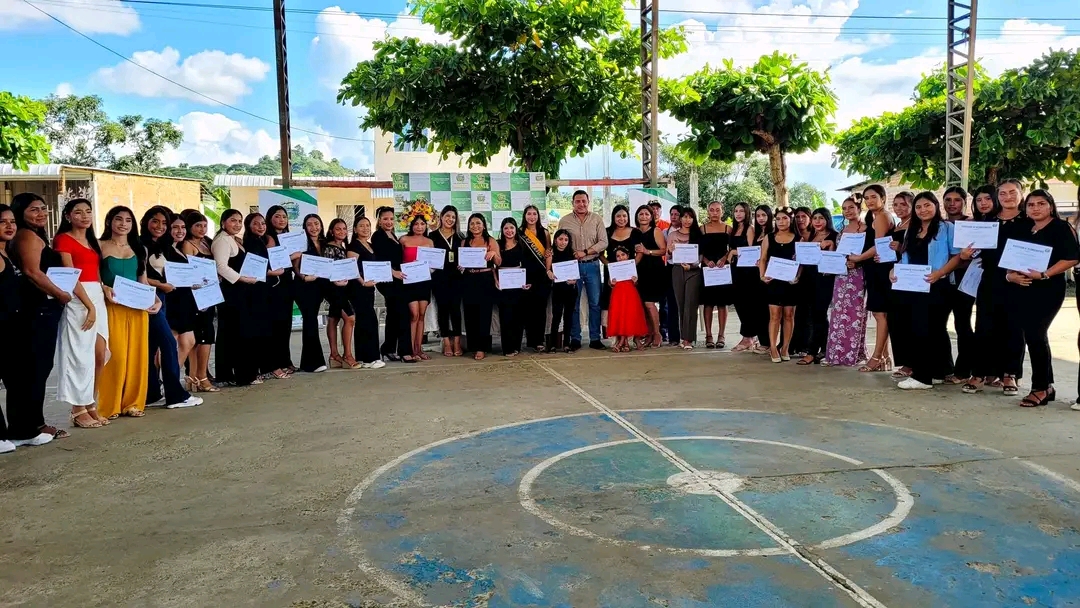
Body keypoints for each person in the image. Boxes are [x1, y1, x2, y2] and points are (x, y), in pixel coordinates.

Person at [1001, 190, 1079, 407]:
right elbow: (1010, 256)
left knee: (1036, 334)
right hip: (1022, 287)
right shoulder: (1023, 227)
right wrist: (1009, 275)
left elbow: (1072, 258)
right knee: (1031, 334)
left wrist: (1044, 274)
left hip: (1048, 288)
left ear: (1050, 206)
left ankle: (1040, 387)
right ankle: (1047, 386)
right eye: (1031, 204)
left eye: (1041, 203)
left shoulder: (1061, 228)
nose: (1035, 208)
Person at [960, 180, 1026, 396]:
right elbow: (977, 253)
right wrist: (965, 254)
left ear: (1021, 194)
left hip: (1019, 282)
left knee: (1015, 329)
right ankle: (978, 374)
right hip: (990, 280)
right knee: (984, 327)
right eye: (1003, 193)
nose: (1007, 197)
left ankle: (1010, 374)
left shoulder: (1028, 221)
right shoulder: (987, 222)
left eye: (1012, 192)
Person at [890, 192, 960, 390]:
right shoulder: (911, 230)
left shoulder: (947, 228)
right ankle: (939, 371)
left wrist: (940, 273)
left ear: (936, 206)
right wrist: (894, 271)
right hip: (913, 286)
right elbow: (905, 258)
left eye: (927, 205)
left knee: (926, 329)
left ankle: (922, 377)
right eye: (919, 207)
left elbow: (957, 256)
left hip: (938, 285)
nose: (923, 210)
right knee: (929, 329)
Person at [52, 198, 110, 427]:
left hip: (96, 295)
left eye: (88, 211)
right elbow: (70, 275)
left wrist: (103, 288)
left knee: (99, 353)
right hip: (78, 298)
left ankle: (90, 402)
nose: (84, 216)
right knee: (79, 354)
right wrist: (89, 306)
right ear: (68, 216)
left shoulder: (92, 240)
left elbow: (95, 271)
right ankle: (77, 408)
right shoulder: (63, 239)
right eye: (78, 212)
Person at [98, 206, 160, 419]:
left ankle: (133, 403)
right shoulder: (99, 246)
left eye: (128, 220)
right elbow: (95, 278)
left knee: (137, 355)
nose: (123, 224)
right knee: (115, 356)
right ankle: (109, 405)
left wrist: (155, 299)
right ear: (109, 221)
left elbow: (142, 280)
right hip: (112, 307)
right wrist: (103, 288)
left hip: (137, 308)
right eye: (119, 219)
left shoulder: (139, 248)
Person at [142, 206, 200, 408]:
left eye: (164, 223)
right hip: (150, 299)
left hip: (162, 299)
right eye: (155, 221)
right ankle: (175, 395)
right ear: (146, 222)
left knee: (152, 347)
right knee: (168, 344)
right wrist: (161, 285)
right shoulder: (141, 245)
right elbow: (140, 276)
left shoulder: (163, 245)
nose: (160, 226)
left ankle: (151, 394)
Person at [211, 208, 261, 386]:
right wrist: (242, 278)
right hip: (231, 292)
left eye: (240, 221)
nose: (237, 224)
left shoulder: (233, 239)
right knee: (235, 333)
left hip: (240, 291)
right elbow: (221, 267)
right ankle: (238, 375)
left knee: (237, 332)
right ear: (223, 222)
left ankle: (237, 374)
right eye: (233, 220)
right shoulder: (222, 241)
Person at [847, 185, 895, 372]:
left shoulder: (882, 216)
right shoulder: (875, 217)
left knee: (880, 315)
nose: (869, 201)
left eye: (873, 197)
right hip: (875, 269)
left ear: (883, 197)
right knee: (880, 314)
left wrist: (858, 258)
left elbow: (879, 245)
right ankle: (884, 356)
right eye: (866, 198)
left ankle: (876, 357)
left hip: (881, 271)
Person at [557, 190, 607, 350]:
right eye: (577, 201)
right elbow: (559, 241)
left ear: (588, 202)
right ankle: (575, 339)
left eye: (584, 201)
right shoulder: (564, 221)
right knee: (574, 304)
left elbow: (603, 242)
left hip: (592, 265)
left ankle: (595, 338)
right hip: (573, 266)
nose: (581, 204)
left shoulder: (596, 219)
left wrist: (585, 252)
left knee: (595, 303)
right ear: (572, 203)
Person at [823, 197, 869, 367]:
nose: (847, 211)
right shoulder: (842, 230)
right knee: (838, 313)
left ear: (859, 208)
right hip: (841, 276)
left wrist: (858, 262)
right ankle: (835, 354)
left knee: (854, 314)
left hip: (858, 276)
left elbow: (870, 253)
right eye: (844, 208)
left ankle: (853, 354)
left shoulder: (866, 229)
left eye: (851, 207)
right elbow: (839, 253)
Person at [243, 212, 289, 379]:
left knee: (269, 329)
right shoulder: (250, 242)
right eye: (256, 224)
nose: (260, 226)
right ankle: (268, 368)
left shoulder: (262, 240)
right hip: (257, 291)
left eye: (262, 223)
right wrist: (273, 272)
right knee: (263, 330)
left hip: (266, 290)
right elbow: (252, 269)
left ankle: (268, 367)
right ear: (249, 226)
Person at [160, 214, 203, 387]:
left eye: (183, 227)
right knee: (171, 344)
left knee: (188, 341)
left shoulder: (177, 248)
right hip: (171, 300)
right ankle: (166, 382)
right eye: (175, 227)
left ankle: (170, 381)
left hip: (184, 300)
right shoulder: (164, 250)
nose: (180, 231)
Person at [180, 212, 219, 392]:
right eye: (198, 226)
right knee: (201, 337)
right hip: (197, 295)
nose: (202, 229)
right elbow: (190, 271)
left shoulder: (206, 243)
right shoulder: (187, 244)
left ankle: (198, 376)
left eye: (204, 226)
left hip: (210, 293)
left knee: (207, 336)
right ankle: (200, 377)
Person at [371, 207, 416, 363]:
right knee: (403, 313)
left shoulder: (393, 235)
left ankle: (388, 348)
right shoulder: (378, 236)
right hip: (388, 279)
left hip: (398, 278)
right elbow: (379, 259)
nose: (389, 222)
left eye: (391, 219)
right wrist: (392, 272)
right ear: (379, 221)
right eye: (385, 219)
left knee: (393, 315)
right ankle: (405, 351)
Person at [942, 186, 975, 384]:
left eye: (957, 200)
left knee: (962, 324)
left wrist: (957, 261)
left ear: (964, 202)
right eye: (948, 200)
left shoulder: (972, 224)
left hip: (965, 280)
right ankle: (944, 367)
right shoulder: (939, 225)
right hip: (941, 280)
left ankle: (964, 370)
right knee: (938, 325)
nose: (952, 204)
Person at [760, 207, 801, 363]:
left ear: (791, 219)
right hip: (773, 282)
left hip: (791, 283)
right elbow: (763, 259)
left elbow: (801, 261)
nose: (781, 222)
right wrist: (762, 276)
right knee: (774, 316)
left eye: (785, 218)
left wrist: (797, 276)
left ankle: (785, 347)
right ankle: (773, 347)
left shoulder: (798, 238)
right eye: (778, 219)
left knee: (789, 315)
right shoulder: (769, 237)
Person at [0, 203, 26, 453]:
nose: (9, 226)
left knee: (17, 381)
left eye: (12, 221)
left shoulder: (7, 253)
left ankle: (20, 431)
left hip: (13, 327)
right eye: (2, 222)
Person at [797, 208, 838, 365]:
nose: (817, 221)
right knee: (815, 315)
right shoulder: (809, 237)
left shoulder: (834, 236)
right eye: (815, 218)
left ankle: (812, 352)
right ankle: (824, 349)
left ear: (827, 219)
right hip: (808, 280)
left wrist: (831, 245)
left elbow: (835, 261)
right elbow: (802, 261)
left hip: (825, 280)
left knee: (819, 314)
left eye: (821, 218)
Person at [345, 216, 386, 369]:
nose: (365, 228)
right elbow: (352, 268)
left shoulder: (370, 245)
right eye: (361, 226)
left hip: (369, 288)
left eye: (368, 225)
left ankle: (364, 358)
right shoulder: (353, 246)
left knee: (365, 321)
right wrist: (363, 282)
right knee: (368, 320)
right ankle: (370, 358)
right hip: (358, 288)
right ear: (355, 229)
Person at [461, 213, 500, 360]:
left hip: (485, 279)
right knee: (470, 314)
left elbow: (499, 262)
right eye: (472, 223)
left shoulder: (490, 240)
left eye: (478, 223)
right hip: (468, 279)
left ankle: (481, 347)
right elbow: (461, 262)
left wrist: (493, 253)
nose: (475, 226)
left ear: (484, 225)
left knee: (484, 314)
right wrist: (461, 266)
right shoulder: (465, 242)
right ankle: (473, 346)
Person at [293, 214, 330, 371]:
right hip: (304, 286)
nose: (314, 227)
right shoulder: (301, 243)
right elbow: (295, 266)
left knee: (312, 320)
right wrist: (303, 277)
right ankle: (313, 363)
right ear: (305, 227)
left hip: (320, 286)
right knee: (310, 321)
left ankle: (308, 362)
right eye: (309, 224)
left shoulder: (325, 243)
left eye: (316, 223)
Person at [265, 205, 299, 374]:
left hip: (287, 284)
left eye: (284, 217)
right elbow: (275, 262)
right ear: (270, 218)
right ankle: (275, 364)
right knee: (276, 325)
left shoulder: (289, 237)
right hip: (274, 285)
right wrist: (294, 256)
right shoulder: (268, 237)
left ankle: (286, 360)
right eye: (277, 216)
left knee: (286, 325)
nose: (281, 220)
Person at [884, 192, 914, 379]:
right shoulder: (897, 225)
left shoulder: (915, 226)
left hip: (909, 277)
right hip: (893, 276)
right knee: (896, 319)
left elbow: (918, 251)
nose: (899, 208)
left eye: (903, 204)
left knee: (908, 320)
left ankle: (912, 363)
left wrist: (902, 248)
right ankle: (904, 361)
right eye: (895, 204)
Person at [323, 218, 360, 368]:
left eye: (344, 229)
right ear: (331, 231)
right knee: (350, 318)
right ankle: (347, 356)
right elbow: (327, 270)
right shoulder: (329, 248)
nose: (342, 232)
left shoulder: (343, 247)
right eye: (338, 229)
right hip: (334, 290)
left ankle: (334, 355)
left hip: (344, 288)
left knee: (333, 318)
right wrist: (335, 281)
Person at [428, 206, 463, 357]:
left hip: (457, 278)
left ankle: (457, 342)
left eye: (453, 217)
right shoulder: (432, 236)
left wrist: (464, 265)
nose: (450, 219)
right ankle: (446, 342)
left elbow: (466, 256)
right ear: (441, 217)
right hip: (439, 278)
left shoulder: (461, 236)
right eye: (447, 216)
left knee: (455, 310)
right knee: (442, 310)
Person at [667, 206, 703, 350]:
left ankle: (689, 339)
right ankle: (683, 336)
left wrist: (693, 265)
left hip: (693, 271)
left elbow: (701, 256)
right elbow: (668, 256)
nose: (687, 220)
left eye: (690, 217)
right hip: (677, 270)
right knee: (680, 304)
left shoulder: (698, 234)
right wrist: (670, 251)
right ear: (680, 218)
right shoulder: (672, 235)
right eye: (685, 217)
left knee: (691, 304)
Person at [602, 205, 640, 341]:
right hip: (613, 274)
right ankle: (615, 338)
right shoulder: (607, 232)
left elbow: (640, 252)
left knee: (629, 304)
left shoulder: (635, 232)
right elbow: (600, 253)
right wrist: (610, 266)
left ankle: (629, 337)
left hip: (630, 274)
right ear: (613, 217)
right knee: (613, 303)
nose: (621, 219)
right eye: (618, 216)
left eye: (624, 216)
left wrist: (631, 266)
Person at [399, 216, 434, 361]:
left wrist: (429, 268)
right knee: (413, 314)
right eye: (416, 224)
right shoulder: (403, 240)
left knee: (421, 314)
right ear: (411, 225)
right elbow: (398, 260)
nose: (419, 227)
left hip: (424, 281)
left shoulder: (429, 242)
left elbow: (434, 263)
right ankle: (410, 349)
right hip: (409, 281)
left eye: (422, 224)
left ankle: (419, 348)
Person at [520, 204, 552, 353]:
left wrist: (548, 270)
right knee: (528, 309)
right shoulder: (520, 232)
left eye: (534, 214)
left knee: (540, 309)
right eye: (529, 214)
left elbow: (548, 253)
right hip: (525, 275)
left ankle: (539, 340)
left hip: (542, 275)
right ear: (524, 216)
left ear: (538, 216)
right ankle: (531, 340)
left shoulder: (544, 232)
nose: (532, 217)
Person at [700, 201, 732, 349]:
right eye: (712, 210)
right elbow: (698, 250)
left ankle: (721, 335)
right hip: (707, 269)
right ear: (708, 211)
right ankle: (708, 335)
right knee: (708, 303)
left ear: (722, 212)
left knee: (722, 303)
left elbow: (732, 248)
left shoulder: (728, 229)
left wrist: (724, 258)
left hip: (722, 269)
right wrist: (706, 261)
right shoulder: (702, 229)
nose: (714, 213)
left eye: (717, 210)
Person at [634, 204, 666, 348]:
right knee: (643, 305)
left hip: (654, 270)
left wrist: (648, 252)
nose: (644, 217)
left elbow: (663, 250)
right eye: (641, 214)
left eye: (647, 214)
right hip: (640, 271)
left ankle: (657, 333)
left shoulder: (656, 230)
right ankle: (649, 334)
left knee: (649, 303)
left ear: (651, 217)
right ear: (637, 216)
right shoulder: (635, 232)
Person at [728, 202, 758, 353]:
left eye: (741, 211)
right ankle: (750, 335)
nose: (738, 214)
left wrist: (734, 252)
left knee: (747, 304)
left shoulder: (749, 229)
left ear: (747, 213)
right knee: (738, 303)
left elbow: (752, 251)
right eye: (736, 211)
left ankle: (748, 337)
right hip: (735, 270)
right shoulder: (733, 229)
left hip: (748, 271)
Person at [606, 245, 648, 352]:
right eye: (618, 256)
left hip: (630, 294)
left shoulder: (632, 266)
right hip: (618, 294)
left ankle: (628, 341)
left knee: (631, 315)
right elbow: (610, 282)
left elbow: (637, 283)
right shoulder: (614, 267)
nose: (621, 258)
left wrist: (635, 280)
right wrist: (612, 282)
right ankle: (623, 342)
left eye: (623, 255)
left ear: (628, 255)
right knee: (620, 315)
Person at [496, 217, 526, 356]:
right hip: (503, 286)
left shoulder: (522, 245)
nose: (509, 231)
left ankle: (516, 346)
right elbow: (492, 266)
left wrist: (526, 281)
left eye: (512, 228)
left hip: (519, 286)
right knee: (506, 317)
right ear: (502, 230)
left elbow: (527, 265)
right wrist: (496, 281)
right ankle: (507, 348)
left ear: (516, 229)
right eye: (506, 228)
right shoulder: (497, 244)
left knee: (518, 317)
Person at [546, 229, 578, 352]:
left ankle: (567, 344)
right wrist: (549, 274)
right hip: (558, 289)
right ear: (555, 240)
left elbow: (576, 272)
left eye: (566, 240)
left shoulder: (572, 254)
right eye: (560, 239)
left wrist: (574, 280)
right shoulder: (551, 253)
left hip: (571, 289)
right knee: (556, 316)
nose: (563, 242)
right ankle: (553, 344)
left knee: (568, 317)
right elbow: (548, 270)